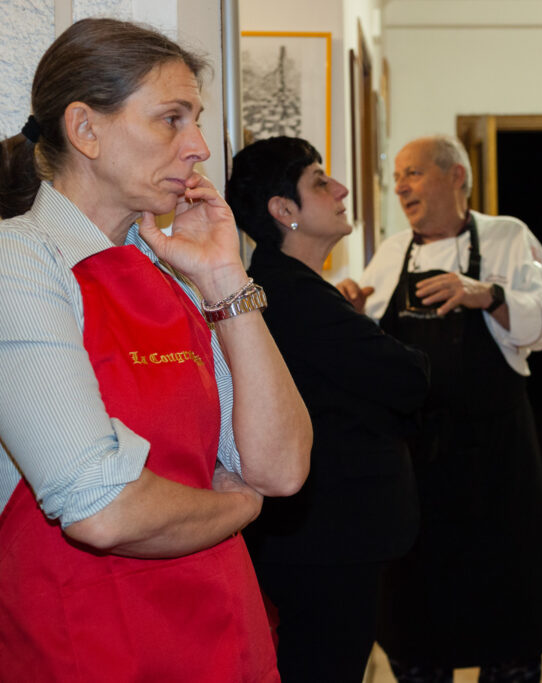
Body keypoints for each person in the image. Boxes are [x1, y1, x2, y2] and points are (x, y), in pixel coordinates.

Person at [0, 18, 312, 682]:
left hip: (223, 635)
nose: (199, 147)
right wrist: (238, 505)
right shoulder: (18, 262)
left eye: (195, 120)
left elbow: (281, 466)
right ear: (85, 129)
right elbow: (101, 507)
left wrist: (226, 282)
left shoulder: (175, 272)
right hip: (88, 647)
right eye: (172, 119)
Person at [337, 135, 542, 682]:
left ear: (457, 177)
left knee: (507, 615)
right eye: (397, 177)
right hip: (414, 465)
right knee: (417, 618)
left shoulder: (507, 236)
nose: (400, 187)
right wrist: (350, 314)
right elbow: (373, 349)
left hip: (495, 461)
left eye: (414, 173)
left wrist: (487, 294)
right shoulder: (395, 251)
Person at [226, 136, 430, 682]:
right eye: (320, 181)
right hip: (327, 539)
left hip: (320, 534)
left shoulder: (290, 288)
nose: (340, 189)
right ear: (283, 211)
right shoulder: (288, 293)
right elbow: (410, 379)